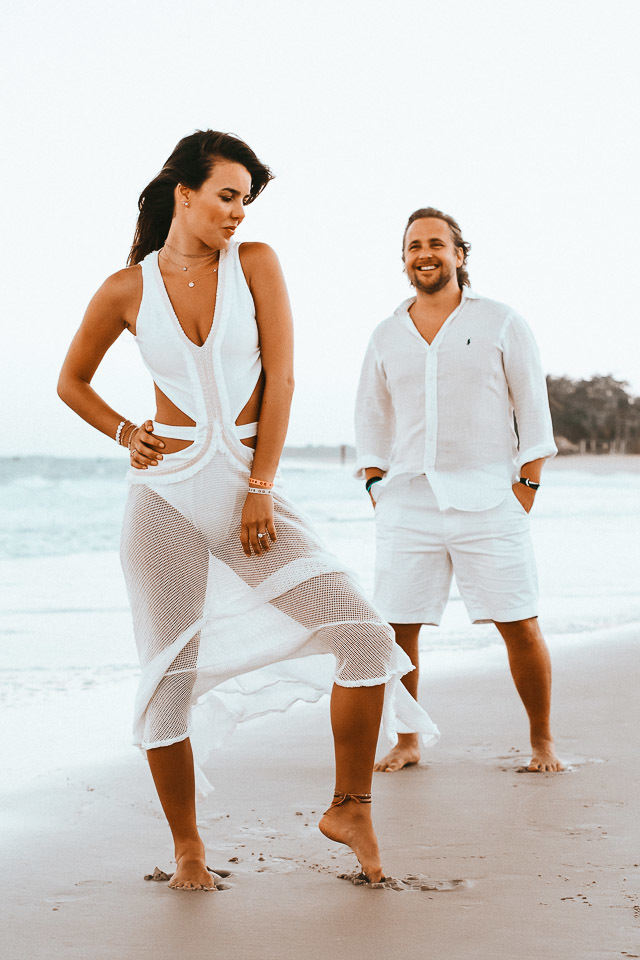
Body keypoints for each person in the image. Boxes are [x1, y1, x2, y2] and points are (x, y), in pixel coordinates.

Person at [57, 131, 438, 891]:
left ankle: (351, 805)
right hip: (162, 497)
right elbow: (71, 382)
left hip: (246, 489)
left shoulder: (255, 264)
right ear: (184, 194)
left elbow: (284, 380)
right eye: (227, 195)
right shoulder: (125, 289)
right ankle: (188, 847)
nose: (238, 211)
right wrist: (127, 431)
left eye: (246, 200)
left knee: (363, 639)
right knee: (168, 674)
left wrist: (261, 488)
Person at [354, 206, 563, 775]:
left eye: (436, 244)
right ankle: (408, 739)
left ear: (459, 255)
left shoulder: (500, 321)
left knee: (518, 620)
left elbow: (533, 410)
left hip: (491, 499)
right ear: (403, 260)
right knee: (398, 626)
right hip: (408, 503)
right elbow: (371, 418)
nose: (425, 253)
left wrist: (526, 485)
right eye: (413, 246)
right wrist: (376, 483)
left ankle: (542, 742)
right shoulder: (385, 334)